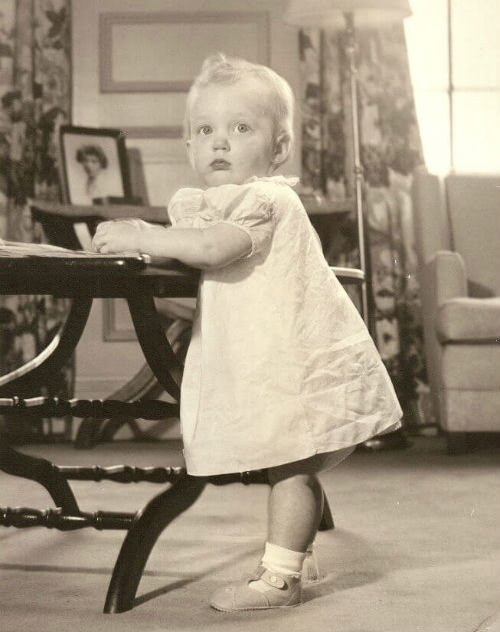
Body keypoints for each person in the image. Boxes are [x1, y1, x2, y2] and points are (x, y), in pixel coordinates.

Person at [92, 53, 402, 612]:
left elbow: (215, 249)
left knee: (290, 463)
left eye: (241, 128)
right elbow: (199, 252)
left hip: (296, 361)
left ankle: (281, 579)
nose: (219, 143)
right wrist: (160, 240)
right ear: (188, 147)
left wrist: (146, 233)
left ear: (277, 149)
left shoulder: (267, 198)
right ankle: (294, 546)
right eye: (205, 130)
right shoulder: (209, 204)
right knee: (287, 458)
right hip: (263, 357)